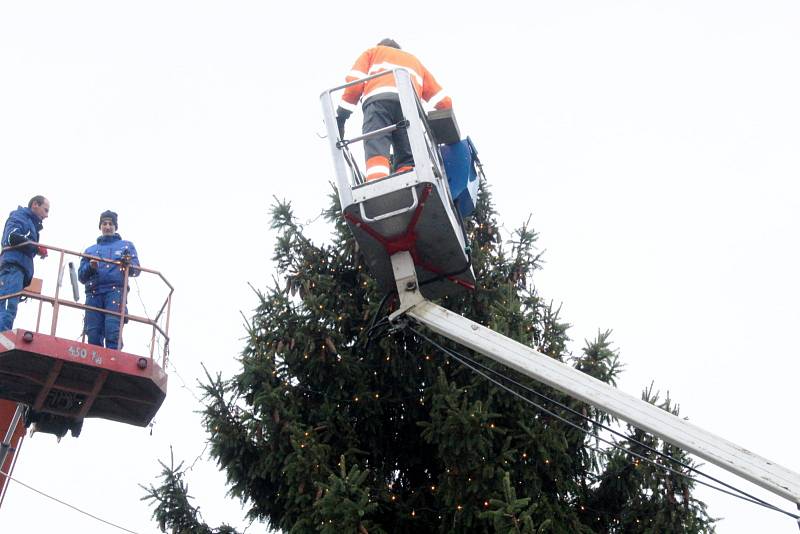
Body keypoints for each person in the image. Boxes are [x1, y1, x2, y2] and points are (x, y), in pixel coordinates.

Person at [335, 38, 453, 181]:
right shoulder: (414, 62)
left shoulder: (373, 52)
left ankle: (377, 184)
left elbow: (354, 85)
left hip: (378, 103)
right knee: (407, 155)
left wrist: (341, 117)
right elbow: (443, 101)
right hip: (409, 108)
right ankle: (409, 181)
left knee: (376, 146)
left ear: (382, 46)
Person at [78, 210, 140, 349]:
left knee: (112, 329)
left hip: (115, 292)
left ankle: (113, 360)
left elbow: (137, 270)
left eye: (110, 224)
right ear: (100, 226)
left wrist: (127, 264)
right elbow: (81, 276)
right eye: (104, 224)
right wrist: (90, 267)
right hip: (93, 293)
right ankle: (93, 365)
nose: (107, 226)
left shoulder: (126, 246)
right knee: (93, 332)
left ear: (115, 227)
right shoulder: (90, 250)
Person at [0, 196, 50, 331]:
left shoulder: (29, 222)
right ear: (35, 204)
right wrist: (35, 247)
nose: (46, 215)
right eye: (45, 210)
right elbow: (11, 237)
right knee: (7, 305)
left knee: (8, 304)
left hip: (16, 268)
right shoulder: (21, 217)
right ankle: (2, 336)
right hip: (13, 267)